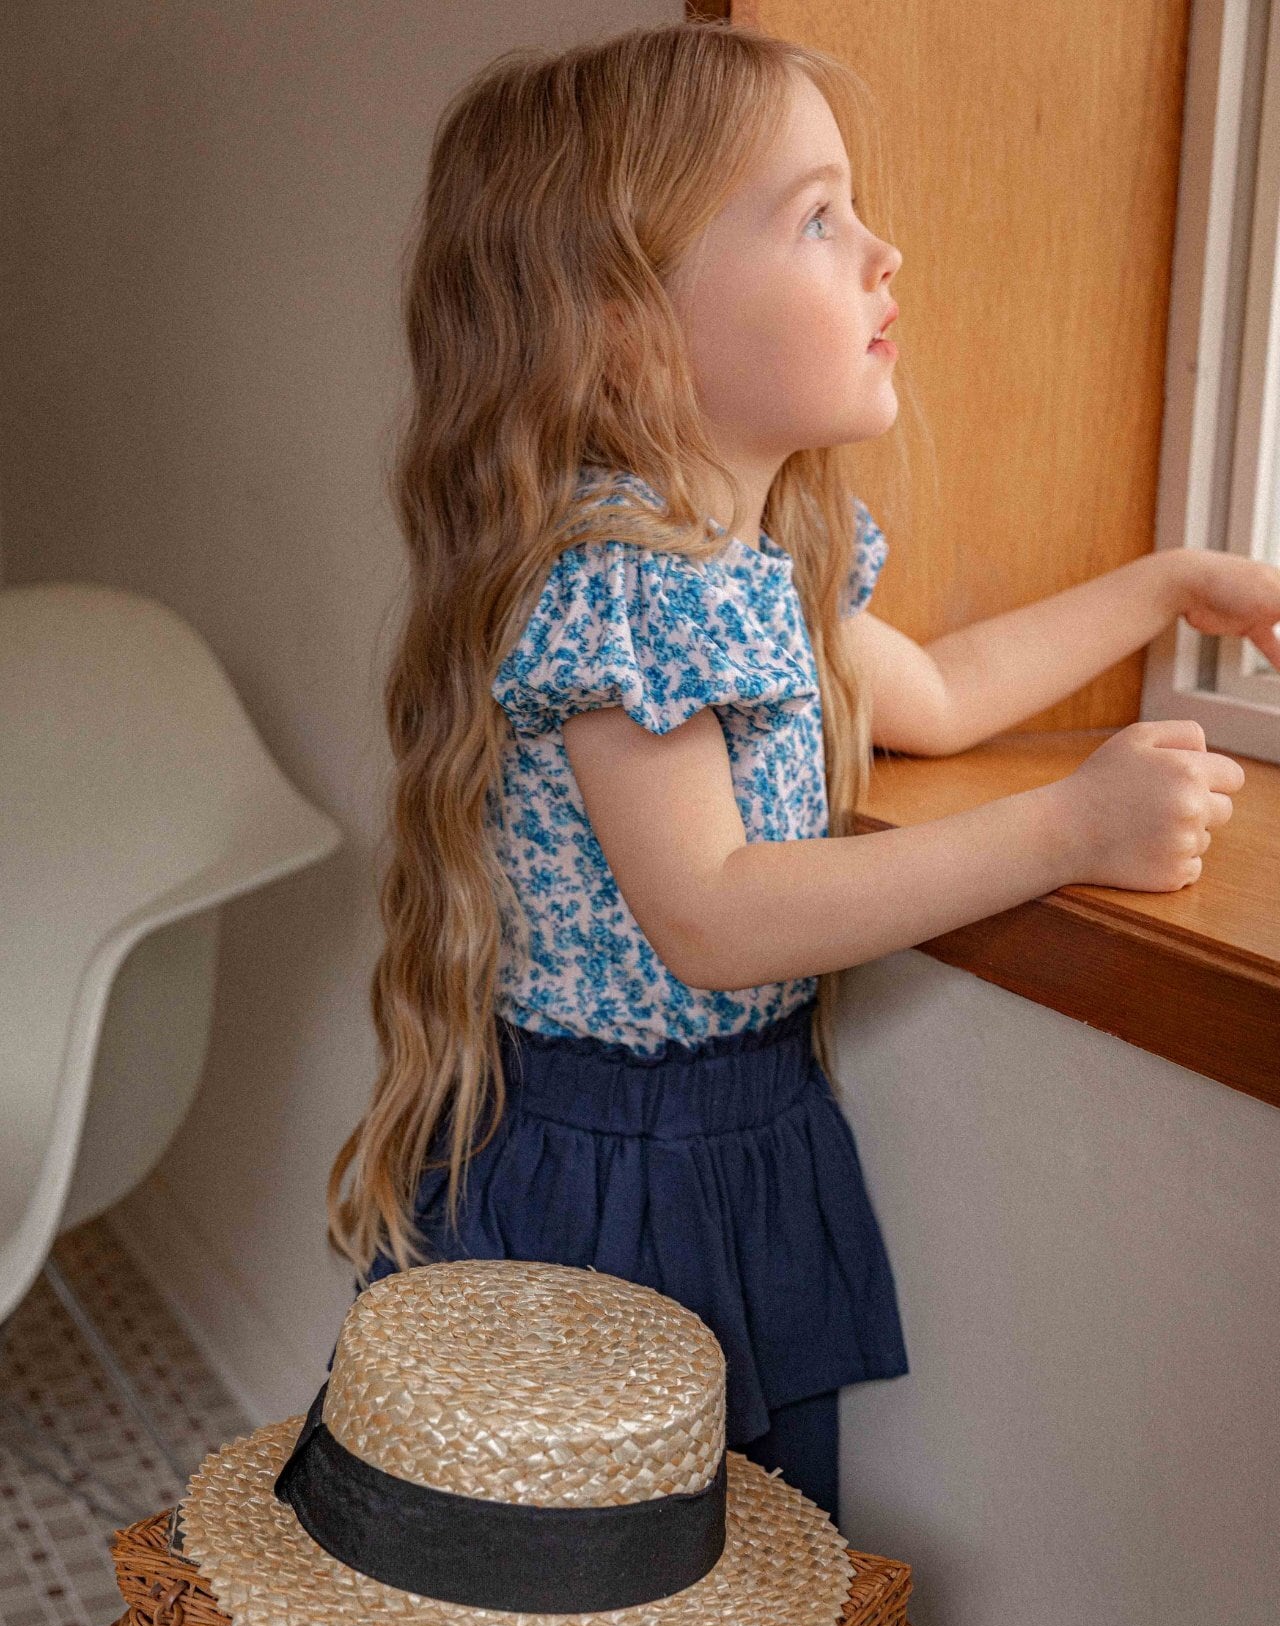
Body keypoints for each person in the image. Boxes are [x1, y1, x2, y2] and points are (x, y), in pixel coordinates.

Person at [326, 20, 1269, 1520]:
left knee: (735, 1567)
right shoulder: (625, 581)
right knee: (589, 1595)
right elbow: (714, 913)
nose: (886, 253)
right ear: (628, 328)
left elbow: (942, 698)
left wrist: (1166, 587)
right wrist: (1070, 829)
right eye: (819, 218)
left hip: (733, 1146)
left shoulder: (755, 566)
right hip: (615, 1184)